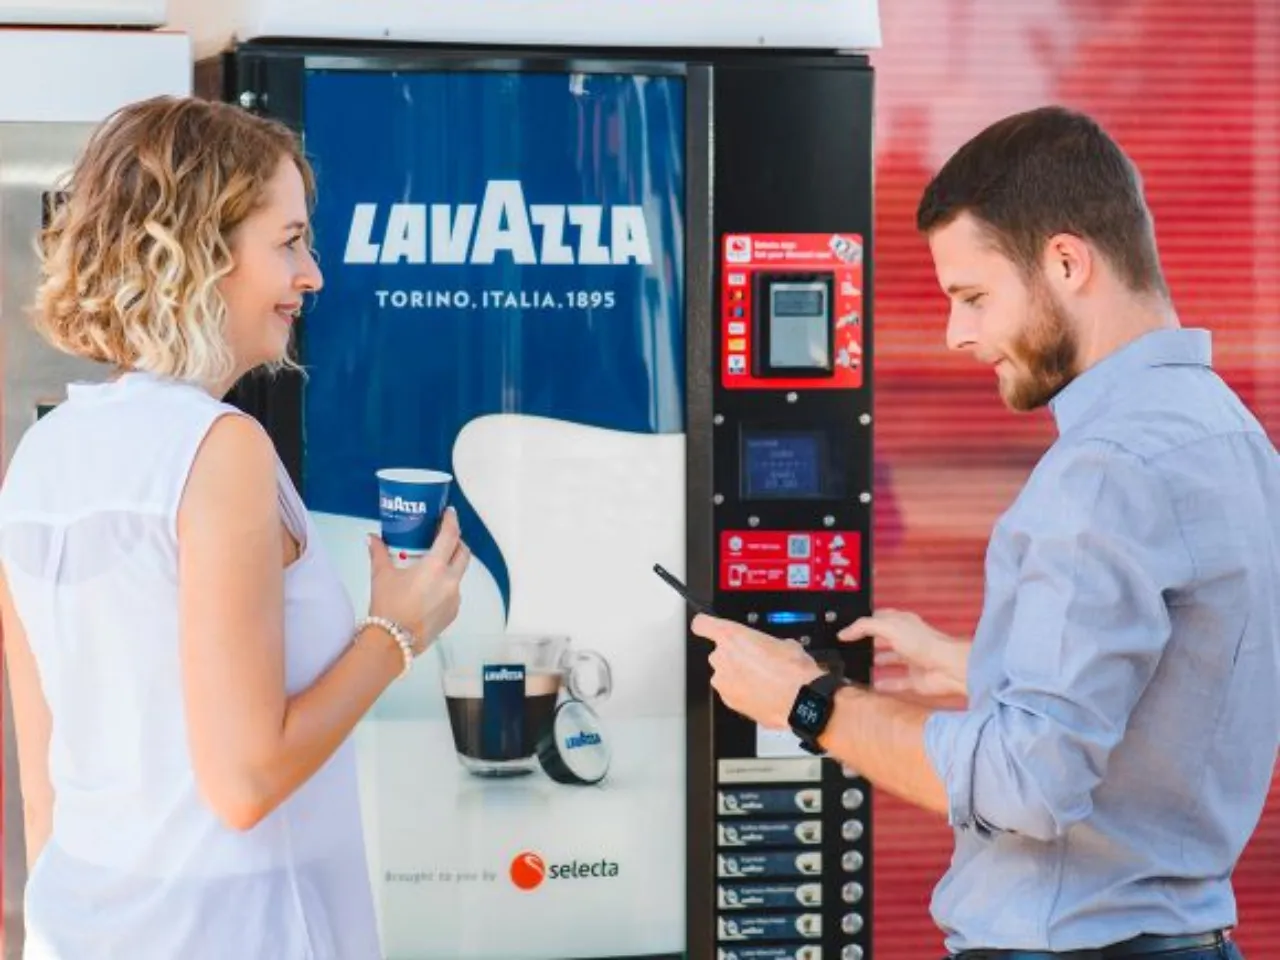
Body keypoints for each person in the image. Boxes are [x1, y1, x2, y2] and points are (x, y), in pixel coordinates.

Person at [693, 105, 1279, 960]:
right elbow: (1180, 693)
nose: (956, 334)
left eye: (973, 296)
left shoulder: (1105, 468)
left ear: (1067, 262)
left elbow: (1028, 780)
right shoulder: (1232, 437)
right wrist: (978, 666)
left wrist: (805, 701)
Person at [0, 95, 471, 958]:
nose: (312, 275)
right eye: (288, 242)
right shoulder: (220, 449)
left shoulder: (39, 458)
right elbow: (246, 780)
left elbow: (44, 792)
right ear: (200, 251)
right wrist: (398, 630)